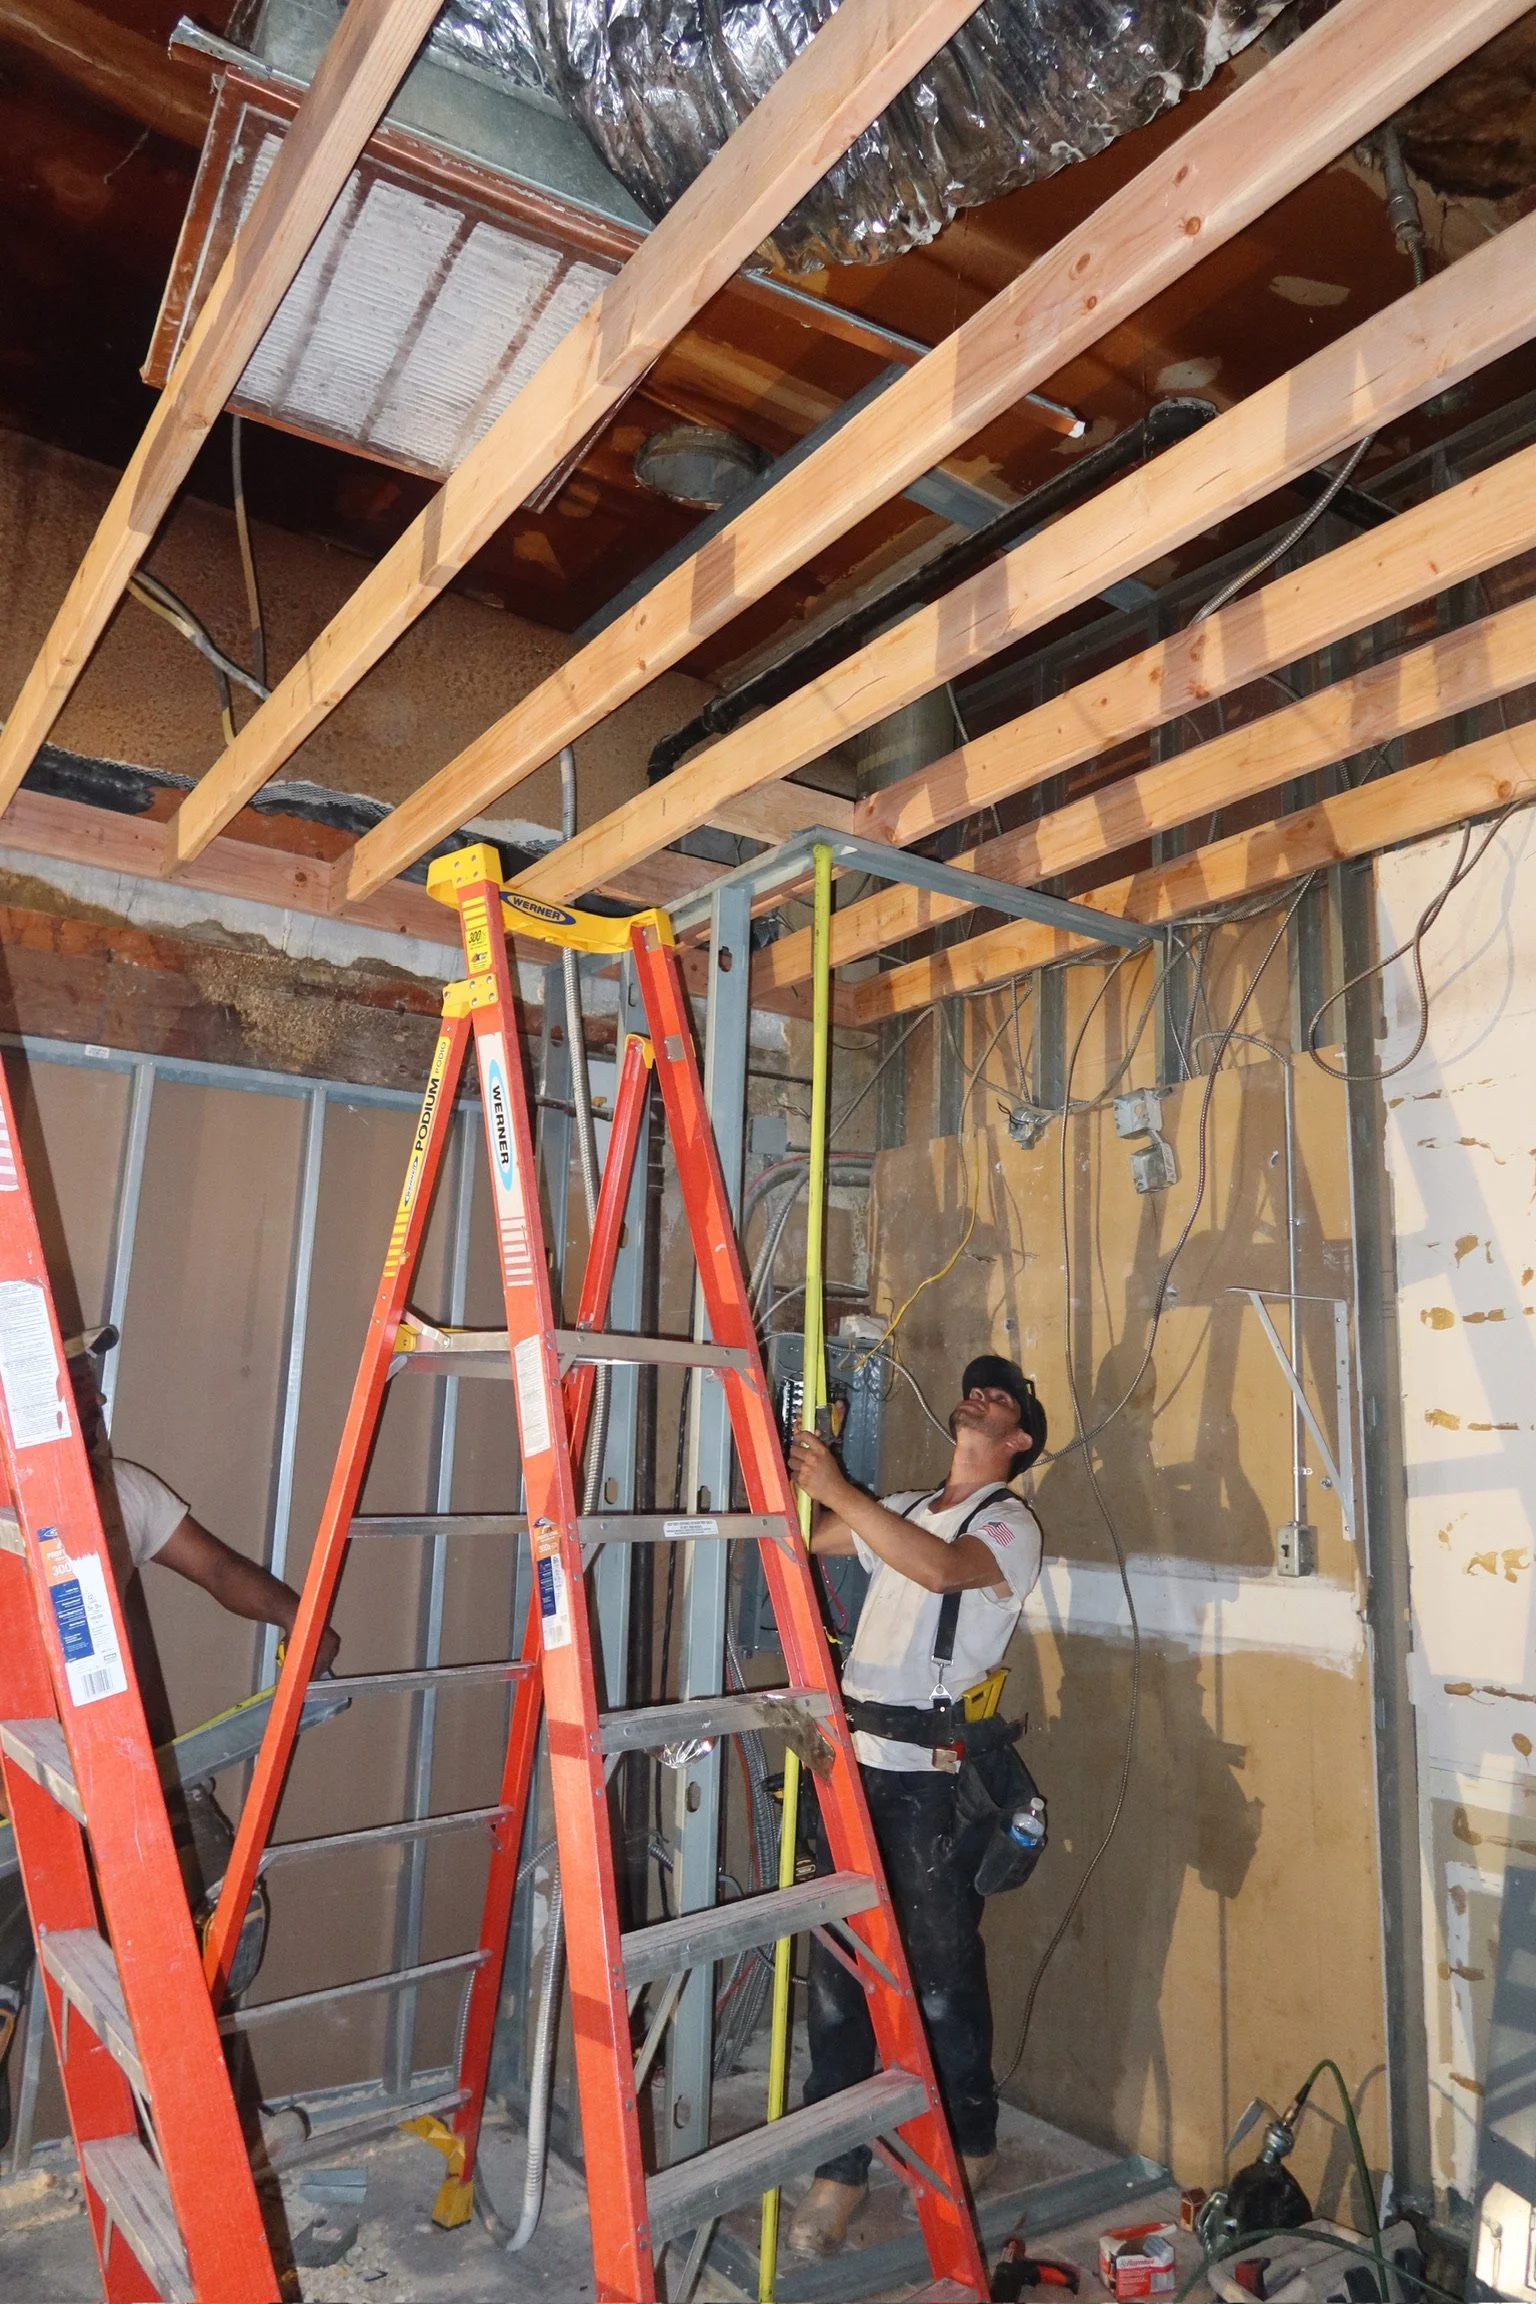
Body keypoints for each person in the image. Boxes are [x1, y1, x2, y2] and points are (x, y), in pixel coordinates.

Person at [0, 1325, 340, 2146]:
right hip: (18, 1791)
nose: (97, 1407)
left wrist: (299, 1618)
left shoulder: (122, 1494)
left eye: (94, 1392)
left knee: (206, 1908)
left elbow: (220, 1571)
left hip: (101, 1770)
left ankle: (207, 2139)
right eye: (77, 1394)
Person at [784, 1352, 1048, 2260]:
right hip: (853, 1761)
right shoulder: (897, 1508)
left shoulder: (1010, 1525)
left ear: (1016, 1442)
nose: (981, 1394)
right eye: (975, 1386)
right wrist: (806, 1466)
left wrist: (838, 1488)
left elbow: (939, 1571)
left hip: (932, 1780)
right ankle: (839, 2173)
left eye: (1001, 1398)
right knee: (840, 1977)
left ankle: (970, 2140)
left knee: (940, 1977)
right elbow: (811, 1536)